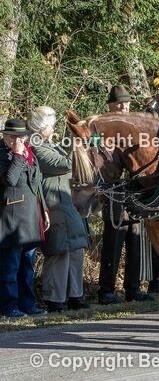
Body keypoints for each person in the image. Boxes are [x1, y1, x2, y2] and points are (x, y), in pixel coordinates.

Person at [30, 107, 90, 312]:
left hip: (64, 202)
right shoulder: (36, 146)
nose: (54, 128)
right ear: (41, 127)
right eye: (51, 125)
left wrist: (75, 135)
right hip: (52, 203)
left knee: (76, 249)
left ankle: (75, 295)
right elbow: (63, 163)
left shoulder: (49, 144)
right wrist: (77, 141)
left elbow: (67, 155)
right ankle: (54, 298)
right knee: (59, 251)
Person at [98, 85, 154, 304]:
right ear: (110, 105)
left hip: (135, 190)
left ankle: (133, 288)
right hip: (114, 189)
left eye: (126, 103)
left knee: (135, 240)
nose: (123, 106)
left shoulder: (134, 127)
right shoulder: (104, 127)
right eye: (119, 103)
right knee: (113, 242)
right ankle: (106, 290)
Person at [0, 118, 48, 318]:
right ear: (6, 137)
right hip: (11, 219)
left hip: (30, 216)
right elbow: (9, 180)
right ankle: (8, 307)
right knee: (10, 267)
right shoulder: (3, 155)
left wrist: (44, 210)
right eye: (14, 136)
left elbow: (37, 184)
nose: (19, 140)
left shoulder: (30, 154)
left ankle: (28, 304)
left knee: (27, 267)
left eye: (22, 136)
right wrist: (18, 155)